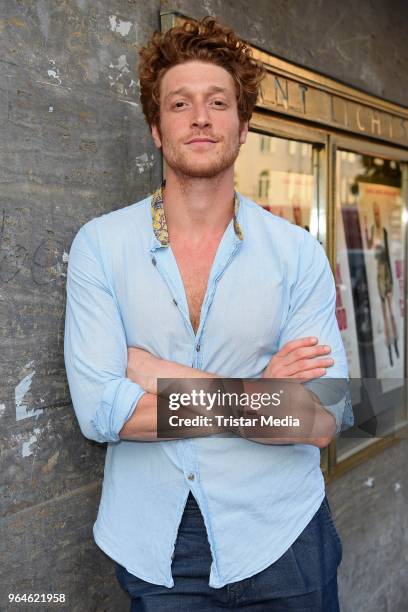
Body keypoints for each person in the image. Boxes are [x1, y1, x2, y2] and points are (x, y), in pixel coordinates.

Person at [64, 16, 351, 611]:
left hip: (284, 533)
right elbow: (100, 413)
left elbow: (322, 421)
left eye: (218, 102)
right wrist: (261, 395)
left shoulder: (296, 252)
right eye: (180, 102)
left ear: (243, 127)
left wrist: (159, 375)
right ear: (155, 127)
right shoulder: (100, 245)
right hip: (157, 545)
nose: (200, 117)